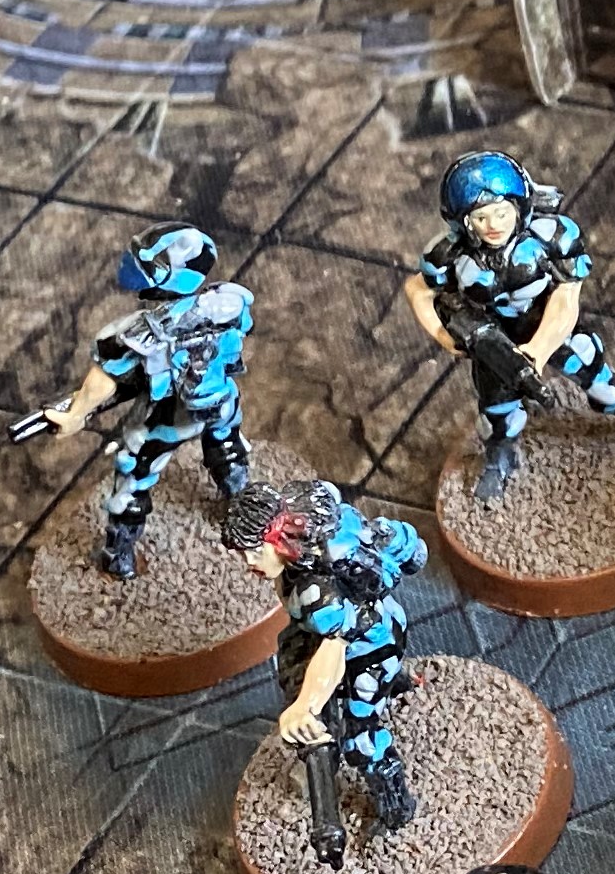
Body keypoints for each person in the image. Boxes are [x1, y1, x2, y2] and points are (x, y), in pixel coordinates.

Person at [407, 150, 615, 504]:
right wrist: (445, 336)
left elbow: (566, 299)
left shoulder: (551, 237)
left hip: (552, 328)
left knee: (605, 389)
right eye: (481, 217)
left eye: (502, 212)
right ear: (465, 221)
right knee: (497, 415)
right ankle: (499, 461)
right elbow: (418, 290)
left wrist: (537, 351)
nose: (493, 224)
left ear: (518, 207)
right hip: (496, 338)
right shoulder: (450, 255)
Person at [30, 221, 252, 579]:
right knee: (227, 446)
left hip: (167, 417)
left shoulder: (138, 331)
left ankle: (118, 557)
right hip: (222, 400)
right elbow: (240, 331)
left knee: (134, 477)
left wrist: (75, 415)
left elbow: (102, 383)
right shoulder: (229, 300)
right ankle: (241, 502)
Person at [249, 478, 427, 827]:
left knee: (360, 740)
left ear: (281, 542)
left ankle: (397, 808)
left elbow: (333, 654)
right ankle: (393, 686)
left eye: (255, 551)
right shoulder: (302, 556)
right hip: (346, 630)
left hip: (372, 652)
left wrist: (306, 706)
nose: (248, 561)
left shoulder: (321, 598)